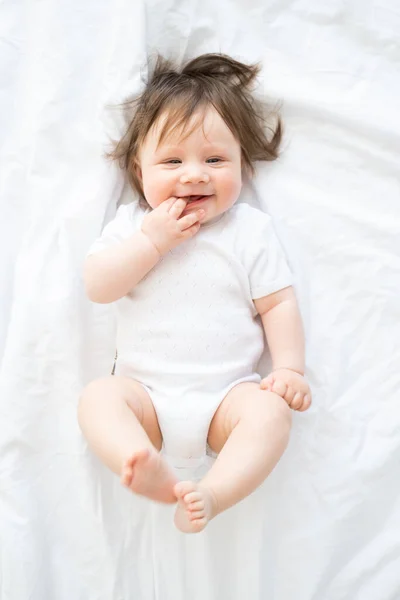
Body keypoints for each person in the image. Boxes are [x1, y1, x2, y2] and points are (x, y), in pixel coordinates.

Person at [78, 53, 312, 534]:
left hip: (227, 397)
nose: (194, 175)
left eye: (215, 159)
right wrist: (151, 241)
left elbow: (278, 303)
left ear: (242, 166)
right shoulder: (131, 226)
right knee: (98, 399)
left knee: (271, 415)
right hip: (146, 397)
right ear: (139, 171)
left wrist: (288, 368)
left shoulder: (248, 230)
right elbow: (98, 286)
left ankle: (212, 492)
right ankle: (139, 461)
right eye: (172, 161)